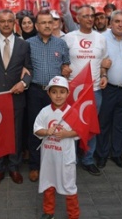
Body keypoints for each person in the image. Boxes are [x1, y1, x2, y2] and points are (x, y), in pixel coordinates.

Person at [0, 9, 33, 188]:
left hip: (15, 96)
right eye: (2, 21)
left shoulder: (23, 45)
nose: (6, 24)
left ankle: (14, 167)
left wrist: (24, 83)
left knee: (15, 133)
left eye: (10, 20)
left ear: (14, 23)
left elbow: (29, 69)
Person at [63, 5, 108, 176]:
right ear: (78, 19)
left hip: (94, 90)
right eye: (86, 16)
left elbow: (104, 61)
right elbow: (62, 60)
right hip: (73, 90)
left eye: (92, 16)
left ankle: (88, 159)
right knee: (71, 124)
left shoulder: (101, 38)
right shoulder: (69, 37)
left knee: (90, 126)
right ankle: (70, 158)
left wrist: (104, 74)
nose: (90, 19)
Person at [26, 9, 70, 183]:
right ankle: (35, 166)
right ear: (36, 26)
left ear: (54, 24)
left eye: (49, 22)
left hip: (56, 93)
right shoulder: (28, 44)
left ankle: (56, 164)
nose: (46, 25)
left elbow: (66, 63)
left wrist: (66, 68)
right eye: (43, 22)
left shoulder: (61, 44)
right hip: (35, 91)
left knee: (57, 127)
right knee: (36, 128)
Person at [34, 76, 80, 219]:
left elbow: (80, 131)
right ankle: (48, 212)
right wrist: (46, 131)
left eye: (62, 92)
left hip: (65, 157)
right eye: (54, 92)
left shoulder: (72, 112)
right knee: (49, 182)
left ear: (67, 93)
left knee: (69, 185)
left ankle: (73, 214)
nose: (58, 95)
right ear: (48, 94)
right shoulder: (44, 111)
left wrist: (67, 134)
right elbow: (36, 129)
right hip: (49, 157)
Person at [96, 10, 122, 169]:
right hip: (107, 88)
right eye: (117, 21)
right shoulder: (101, 39)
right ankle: (102, 154)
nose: (120, 24)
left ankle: (117, 153)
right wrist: (102, 68)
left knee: (121, 123)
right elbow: (95, 60)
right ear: (110, 23)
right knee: (103, 123)